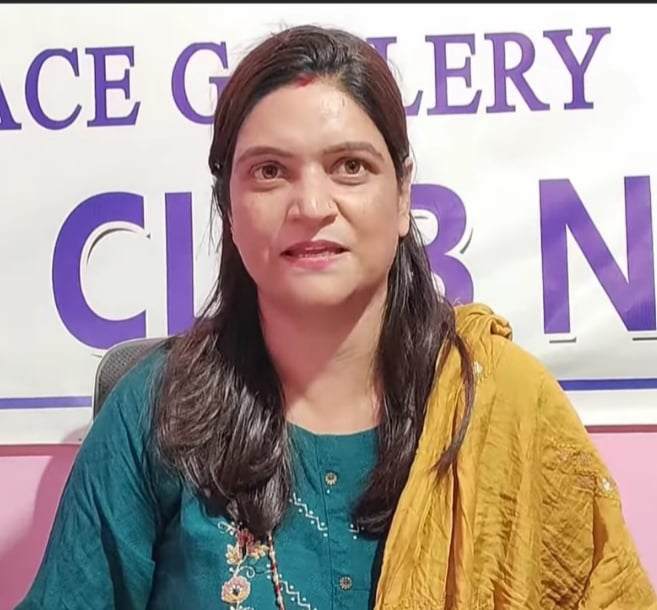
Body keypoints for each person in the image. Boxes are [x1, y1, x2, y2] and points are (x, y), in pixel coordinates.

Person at [17, 24, 656, 610]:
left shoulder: (499, 402)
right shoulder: (157, 409)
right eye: (270, 171)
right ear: (229, 208)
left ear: (401, 195)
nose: (312, 206)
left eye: (351, 167)